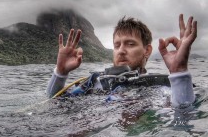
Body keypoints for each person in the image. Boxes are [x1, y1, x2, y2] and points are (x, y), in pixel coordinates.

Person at [46, 14, 197, 108]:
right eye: (117, 45)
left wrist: (179, 72)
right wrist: (60, 72)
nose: (121, 50)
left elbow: (184, 115)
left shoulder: (160, 87)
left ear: (147, 50)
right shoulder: (94, 82)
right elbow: (53, 103)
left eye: (130, 44)